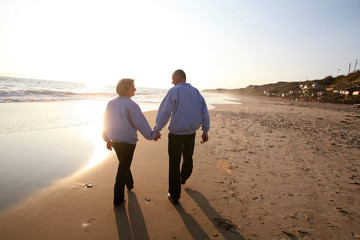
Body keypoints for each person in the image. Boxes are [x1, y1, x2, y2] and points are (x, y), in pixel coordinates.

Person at [154, 69, 210, 204]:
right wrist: (205, 130)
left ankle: (174, 195)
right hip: (191, 133)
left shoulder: (174, 91)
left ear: (178, 76)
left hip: (176, 134)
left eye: (172, 78)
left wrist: (157, 128)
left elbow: (164, 111)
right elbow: (204, 111)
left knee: (174, 163)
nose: (171, 81)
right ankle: (183, 178)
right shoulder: (195, 91)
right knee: (188, 157)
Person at [102, 78, 161, 206]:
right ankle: (118, 199)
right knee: (123, 167)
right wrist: (152, 135)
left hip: (115, 140)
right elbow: (140, 123)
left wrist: (106, 138)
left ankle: (130, 184)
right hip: (128, 142)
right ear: (127, 89)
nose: (135, 89)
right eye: (133, 87)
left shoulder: (111, 103)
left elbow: (105, 122)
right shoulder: (131, 105)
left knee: (123, 164)